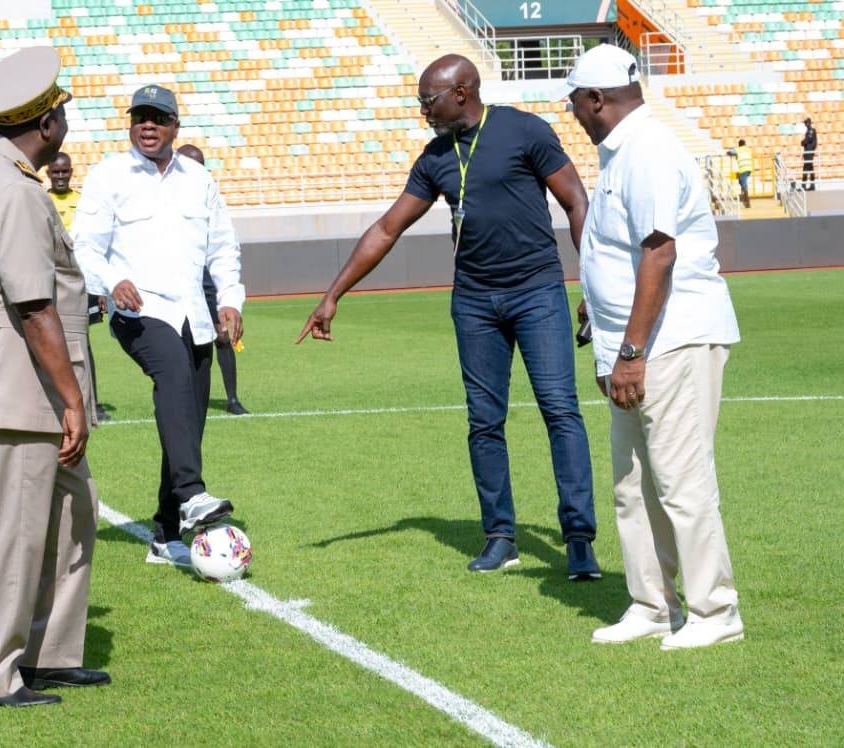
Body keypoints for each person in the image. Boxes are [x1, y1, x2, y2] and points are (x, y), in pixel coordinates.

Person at [296, 54, 599, 579]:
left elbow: (576, 201)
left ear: (461, 91)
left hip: (537, 293)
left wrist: (594, 283)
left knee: (560, 412)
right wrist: (333, 294)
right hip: (475, 303)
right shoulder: (435, 157)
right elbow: (388, 228)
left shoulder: (526, 130)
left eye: (428, 101)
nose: (423, 112)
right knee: (484, 422)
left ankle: (578, 540)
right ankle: (500, 536)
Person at [0, 46, 108, 707]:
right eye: (59, 110)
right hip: (19, 387)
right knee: (15, 532)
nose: (64, 119)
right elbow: (33, 305)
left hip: (9, 380)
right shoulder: (12, 190)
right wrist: (71, 399)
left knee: (71, 513)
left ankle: (48, 653)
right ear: (44, 124)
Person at [562, 44, 743, 650]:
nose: (574, 114)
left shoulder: (649, 152)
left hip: (671, 338)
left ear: (596, 100)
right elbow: (622, 247)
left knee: (681, 480)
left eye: (575, 103)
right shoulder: (622, 152)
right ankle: (652, 604)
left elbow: (659, 252)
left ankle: (715, 613)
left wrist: (633, 350)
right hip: (634, 343)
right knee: (634, 481)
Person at [72, 84, 244, 568]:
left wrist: (229, 300)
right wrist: (111, 281)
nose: (148, 125)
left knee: (187, 420)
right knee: (170, 372)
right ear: (130, 125)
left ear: (175, 127)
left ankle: (166, 533)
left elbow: (223, 248)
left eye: (158, 118)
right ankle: (191, 493)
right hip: (139, 311)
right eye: (140, 117)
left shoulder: (198, 180)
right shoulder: (108, 176)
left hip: (196, 315)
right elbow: (83, 247)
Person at [177, 143, 249, 415]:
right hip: (181, 279)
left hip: (207, 277)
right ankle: (186, 396)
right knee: (185, 340)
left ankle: (232, 399)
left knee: (221, 335)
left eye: (200, 164)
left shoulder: (209, 195)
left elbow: (224, 241)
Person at [47, 151, 109, 422]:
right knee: (50, 340)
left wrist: (99, 287)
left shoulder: (82, 202)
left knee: (83, 343)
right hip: (51, 283)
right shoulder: (41, 200)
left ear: (72, 172)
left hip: (81, 282)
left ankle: (91, 401)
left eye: (65, 172)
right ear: (48, 173)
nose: (61, 176)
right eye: (56, 172)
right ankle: (53, 399)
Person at [726, 139, 753, 208]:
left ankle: (747, 199)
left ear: (739, 144)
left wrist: (728, 153)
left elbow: (729, 152)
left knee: (743, 183)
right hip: (749, 168)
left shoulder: (738, 150)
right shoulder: (748, 149)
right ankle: (743, 195)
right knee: (741, 181)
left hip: (743, 168)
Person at [801, 117, 817, 191]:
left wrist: (803, 142)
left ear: (810, 123)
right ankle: (812, 185)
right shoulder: (809, 131)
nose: (806, 124)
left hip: (809, 152)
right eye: (805, 123)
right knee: (810, 168)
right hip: (808, 152)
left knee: (805, 168)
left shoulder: (811, 131)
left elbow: (808, 140)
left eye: (807, 123)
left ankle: (803, 186)